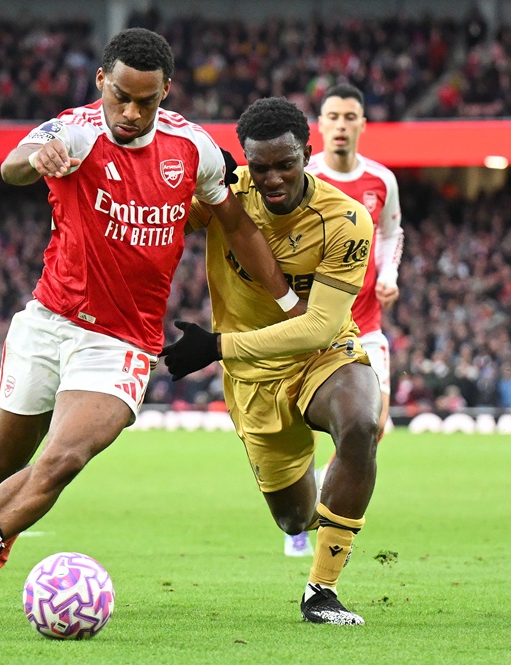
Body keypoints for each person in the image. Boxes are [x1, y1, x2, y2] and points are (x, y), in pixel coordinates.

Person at [0, 28, 300, 616]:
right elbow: (10, 167)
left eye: (148, 101)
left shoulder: (193, 148)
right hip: (49, 320)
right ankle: (0, 528)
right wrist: (37, 157)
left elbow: (236, 225)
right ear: (101, 81)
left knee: (61, 459)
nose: (132, 113)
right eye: (121, 98)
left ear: (166, 91)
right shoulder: (71, 131)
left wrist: (289, 303)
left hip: (123, 343)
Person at [161, 97, 380, 625]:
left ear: (308, 152)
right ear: (245, 162)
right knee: (293, 518)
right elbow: (158, 220)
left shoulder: (346, 220)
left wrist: (214, 347)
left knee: (361, 423)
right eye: (260, 167)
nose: (274, 177)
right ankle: (316, 489)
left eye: (286, 163)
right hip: (254, 380)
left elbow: (320, 326)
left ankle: (321, 593)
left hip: (321, 356)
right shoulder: (225, 196)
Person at [284, 83, 403, 557]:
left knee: (371, 427)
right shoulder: (304, 177)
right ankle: (298, 512)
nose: (340, 125)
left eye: (350, 117)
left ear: (362, 125)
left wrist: (389, 274)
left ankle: (322, 496)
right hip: (311, 325)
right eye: (332, 116)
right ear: (320, 124)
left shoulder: (381, 180)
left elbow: (392, 233)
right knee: (294, 424)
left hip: (366, 326)